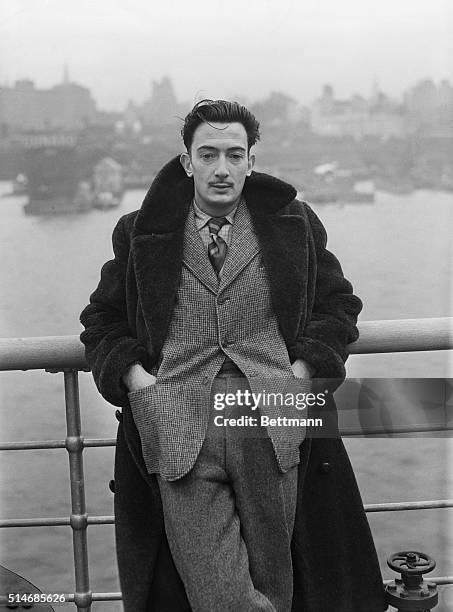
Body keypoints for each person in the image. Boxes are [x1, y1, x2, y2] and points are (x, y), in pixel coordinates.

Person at [80, 100, 387, 612]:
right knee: (218, 593)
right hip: (178, 426)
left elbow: (337, 307)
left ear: (250, 160)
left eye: (234, 154)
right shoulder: (139, 233)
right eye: (208, 154)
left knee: (276, 582)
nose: (221, 169)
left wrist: (303, 371)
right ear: (187, 162)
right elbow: (102, 321)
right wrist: (136, 382)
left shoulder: (294, 224)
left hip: (274, 419)